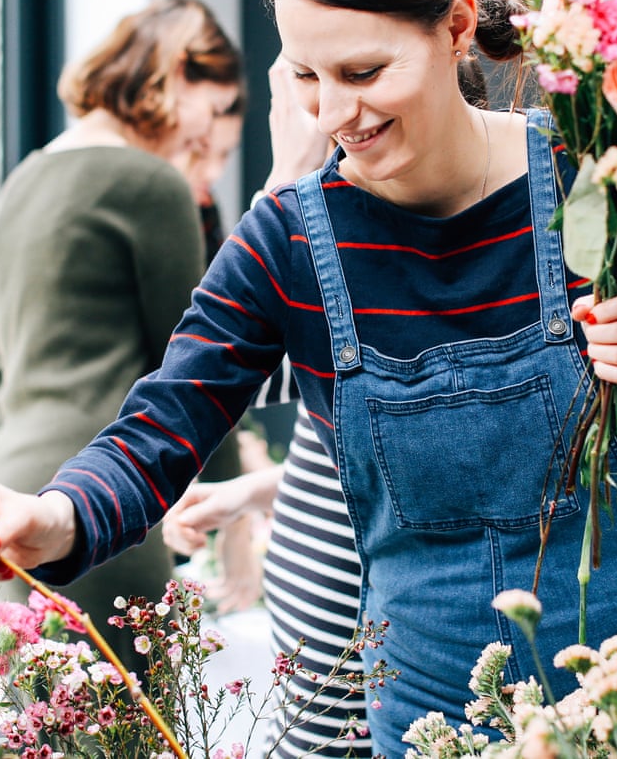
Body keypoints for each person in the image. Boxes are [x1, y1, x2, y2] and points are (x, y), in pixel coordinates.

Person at [0, 0, 617, 758]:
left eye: (364, 72)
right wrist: (54, 516)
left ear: (458, 25)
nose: (335, 115)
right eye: (307, 78)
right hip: (438, 723)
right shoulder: (290, 243)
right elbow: (164, 422)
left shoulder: (601, 187)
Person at [160, 49, 491, 759]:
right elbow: (365, 438)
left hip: (363, 662)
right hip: (322, 666)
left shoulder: (380, 242)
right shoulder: (337, 230)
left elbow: (254, 366)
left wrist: (288, 176)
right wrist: (260, 490)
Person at [0, 0, 247, 671]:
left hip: (13, 493)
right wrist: (236, 528)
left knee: (42, 735)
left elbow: (2, 366)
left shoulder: (26, 178)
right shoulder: (149, 183)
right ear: (174, 73)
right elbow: (198, 374)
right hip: (98, 507)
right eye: (214, 112)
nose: (208, 147)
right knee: (133, 735)